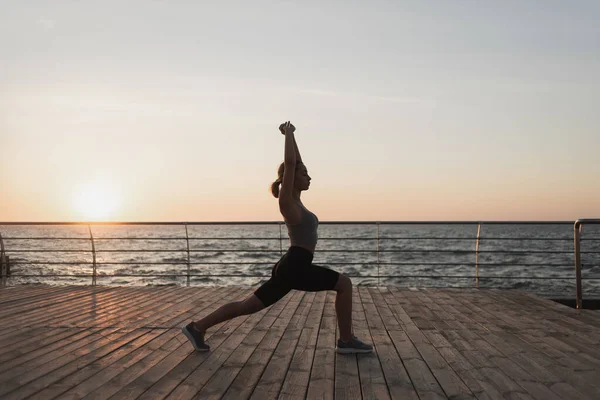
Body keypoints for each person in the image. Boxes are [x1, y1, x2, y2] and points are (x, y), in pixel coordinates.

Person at [182, 121, 373, 354]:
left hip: (293, 266)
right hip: (294, 267)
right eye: (305, 174)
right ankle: (345, 341)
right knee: (344, 283)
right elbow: (291, 164)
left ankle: (197, 327)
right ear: (291, 178)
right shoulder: (287, 203)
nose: (310, 177)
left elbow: (296, 163)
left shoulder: (298, 200)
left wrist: (292, 136)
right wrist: (288, 134)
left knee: (246, 306)